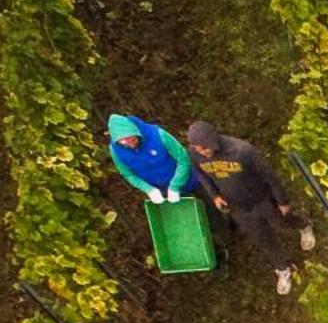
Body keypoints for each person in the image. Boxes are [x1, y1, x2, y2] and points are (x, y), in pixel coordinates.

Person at [185, 119, 316, 294]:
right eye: (198, 149)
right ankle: (283, 268)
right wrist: (215, 195)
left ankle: (303, 225)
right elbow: (201, 175)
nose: (203, 152)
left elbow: (269, 176)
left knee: (282, 222)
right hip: (237, 207)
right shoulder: (195, 155)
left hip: (262, 199)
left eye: (205, 147)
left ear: (213, 141)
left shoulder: (242, 151)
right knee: (261, 237)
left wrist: (282, 201)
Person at [107, 113, 205, 205]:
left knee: (210, 211)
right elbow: (128, 174)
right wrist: (149, 189)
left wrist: (175, 185)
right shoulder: (115, 150)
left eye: (132, 140)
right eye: (125, 143)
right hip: (163, 193)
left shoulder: (158, 134)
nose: (131, 145)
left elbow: (183, 158)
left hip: (192, 181)